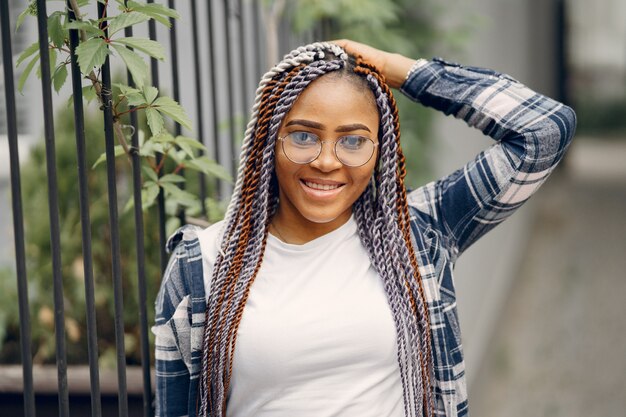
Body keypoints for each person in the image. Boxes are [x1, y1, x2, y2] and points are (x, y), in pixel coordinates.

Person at [152, 40, 576, 417]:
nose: (327, 161)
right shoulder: (203, 265)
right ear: (270, 140)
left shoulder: (418, 234)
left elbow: (543, 131)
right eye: (303, 136)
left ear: (381, 150)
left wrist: (400, 69)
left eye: (353, 141)